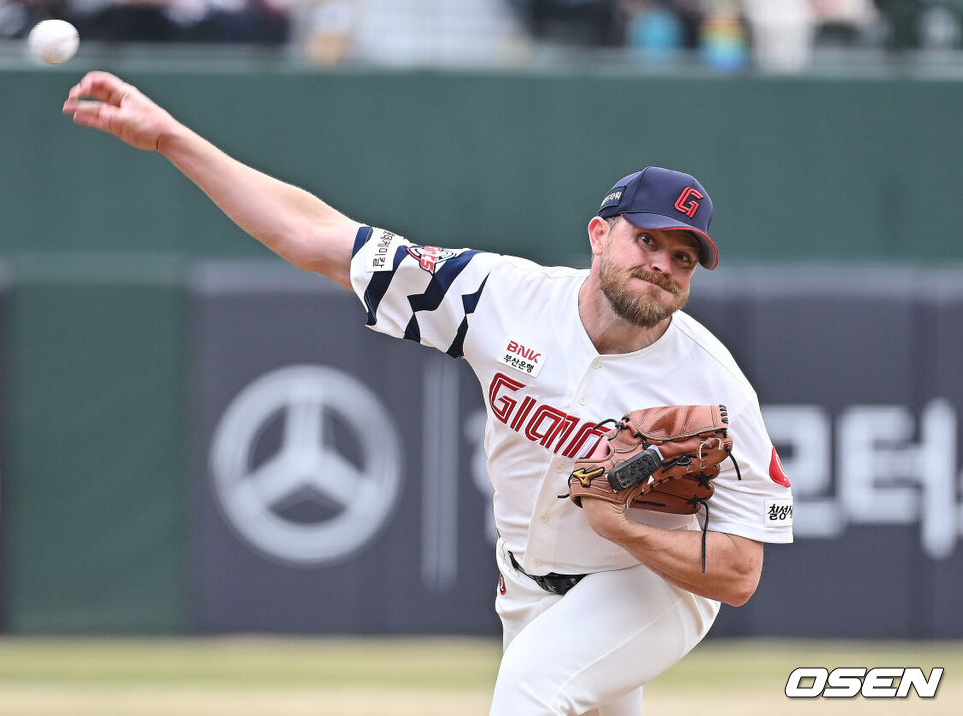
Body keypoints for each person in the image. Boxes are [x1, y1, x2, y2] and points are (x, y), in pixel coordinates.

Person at [62, 71, 794, 716]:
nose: (664, 264)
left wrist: (622, 527)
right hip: (527, 586)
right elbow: (315, 235)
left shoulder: (713, 385)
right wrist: (171, 139)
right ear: (600, 235)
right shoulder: (496, 296)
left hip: (647, 582)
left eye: (684, 257)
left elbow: (740, 573)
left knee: (532, 691)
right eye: (650, 240)